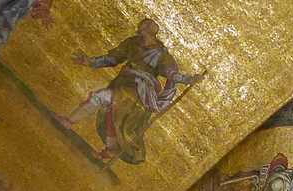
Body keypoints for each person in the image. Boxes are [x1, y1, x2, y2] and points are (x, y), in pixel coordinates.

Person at [61, 18, 200, 164]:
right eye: (139, 30)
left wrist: (188, 79)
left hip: (137, 94)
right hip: (121, 85)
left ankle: (68, 122)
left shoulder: (161, 55)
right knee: (111, 116)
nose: (138, 32)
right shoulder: (133, 43)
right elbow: (113, 58)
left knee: (102, 99)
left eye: (142, 30)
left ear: (150, 33)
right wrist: (91, 62)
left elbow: (171, 74)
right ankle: (108, 151)